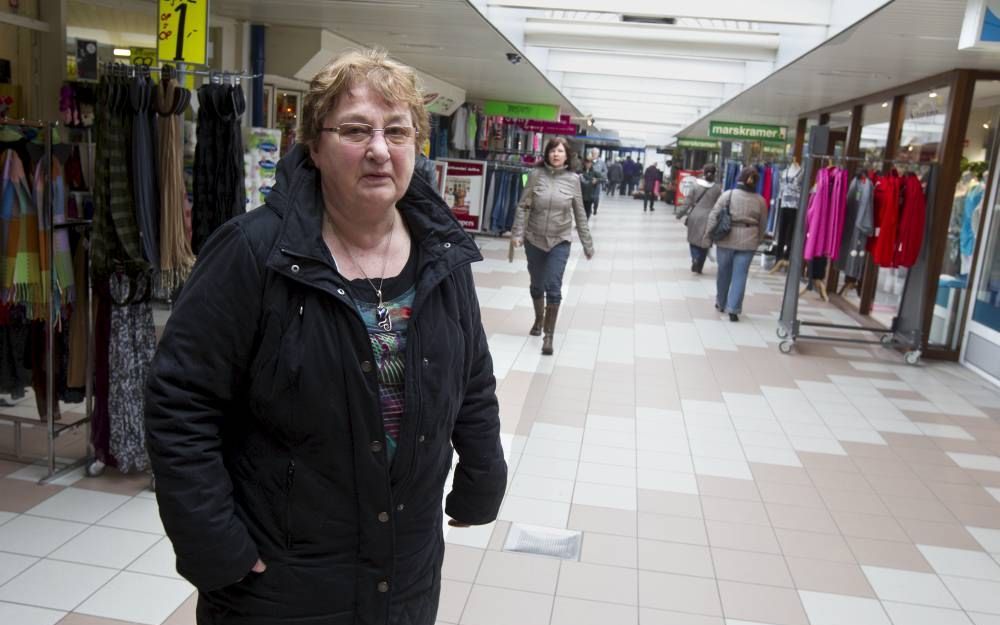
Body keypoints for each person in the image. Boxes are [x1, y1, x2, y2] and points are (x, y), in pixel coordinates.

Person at [145, 48, 507, 625]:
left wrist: (483, 476)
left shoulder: (442, 256)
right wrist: (214, 546)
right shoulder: (253, 253)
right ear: (312, 146)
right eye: (355, 130)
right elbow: (179, 403)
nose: (380, 150)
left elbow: (472, 377)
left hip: (404, 574)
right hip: (282, 583)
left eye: (397, 131)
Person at [512, 136, 595, 355]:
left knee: (554, 287)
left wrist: (587, 244)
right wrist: (517, 234)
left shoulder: (573, 179)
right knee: (537, 285)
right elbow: (522, 206)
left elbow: (580, 213)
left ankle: (548, 336)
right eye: (552, 151)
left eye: (560, 151)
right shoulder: (534, 175)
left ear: (567, 156)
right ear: (547, 153)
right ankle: (539, 319)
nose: (556, 154)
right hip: (534, 238)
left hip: (560, 240)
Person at [706, 165, 767, 322]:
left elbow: (714, 215)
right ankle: (733, 309)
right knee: (740, 275)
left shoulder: (728, 195)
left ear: (739, 178)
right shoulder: (761, 201)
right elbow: (763, 224)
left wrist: (709, 234)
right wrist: (758, 239)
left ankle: (721, 302)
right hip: (749, 241)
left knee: (723, 273)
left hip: (726, 238)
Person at [678, 163, 722, 273]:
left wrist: (680, 213)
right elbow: (719, 205)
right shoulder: (717, 188)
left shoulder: (695, 185)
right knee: (705, 241)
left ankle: (695, 258)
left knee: (693, 240)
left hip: (695, 216)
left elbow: (687, 202)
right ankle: (700, 265)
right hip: (710, 217)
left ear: (703, 172)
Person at [588, 148, 608, 213]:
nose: (594, 154)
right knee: (589, 197)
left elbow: (605, 171)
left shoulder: (601, 162)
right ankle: (589, 208)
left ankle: (595, 208)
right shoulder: (589, 161)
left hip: (597, 183)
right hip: (589, 183)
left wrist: (599, 178)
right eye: (593, 153)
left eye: (595, 153)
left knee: (596, 198)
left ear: (598, 154)